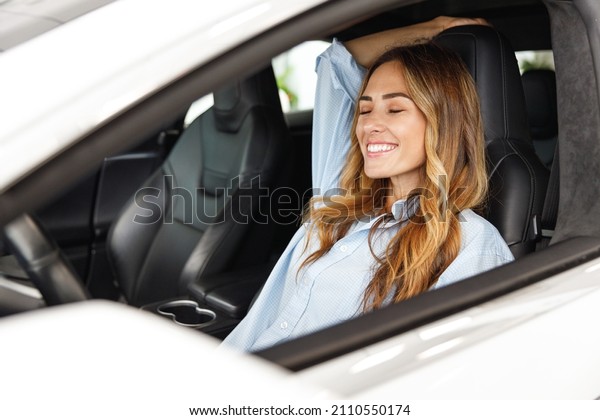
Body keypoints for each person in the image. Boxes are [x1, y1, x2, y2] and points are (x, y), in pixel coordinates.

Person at [222, 17, 514, 352]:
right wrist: (435, 26)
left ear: (442, 122)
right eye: (364, 110)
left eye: (394, 109)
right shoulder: (338, 199)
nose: (370, 126)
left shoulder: (471, 245)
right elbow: (336, 62)